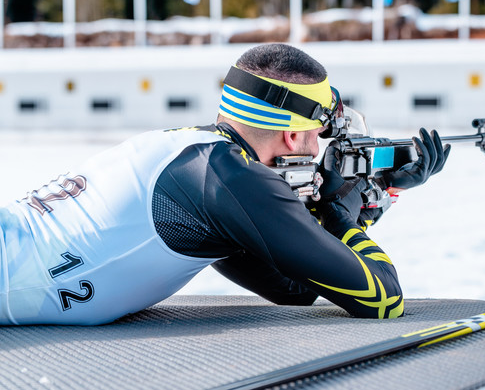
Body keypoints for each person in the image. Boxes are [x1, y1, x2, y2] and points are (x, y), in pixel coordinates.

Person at [0, 43, 449, 325]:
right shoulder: (234, 178)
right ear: (293, 134)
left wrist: (375, 198)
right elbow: (383, 299)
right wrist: (334, 210)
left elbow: (293, 288)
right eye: (319, 133)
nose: (317, 148)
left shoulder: (197, 156)